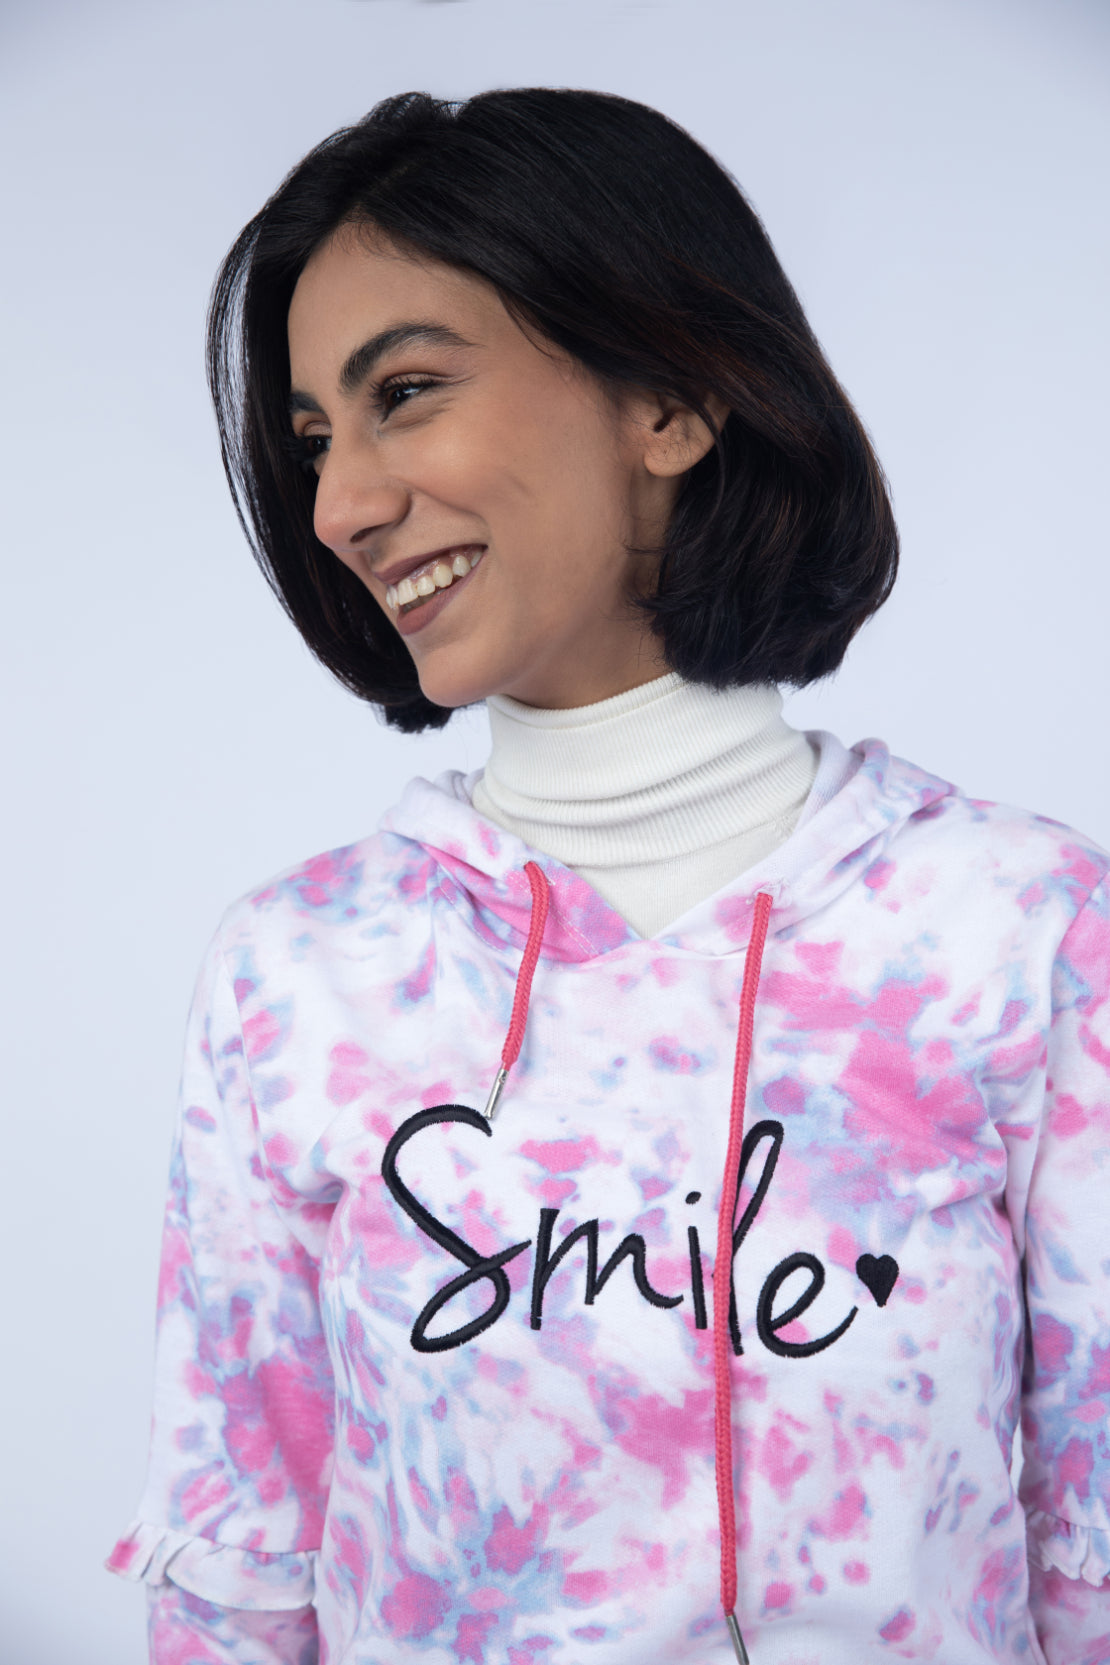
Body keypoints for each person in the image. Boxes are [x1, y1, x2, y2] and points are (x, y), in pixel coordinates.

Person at [106, 88, 1110, 1664]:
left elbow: (1092, 1541)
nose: (341, 505)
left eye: (404, 393)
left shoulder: (1017, 929)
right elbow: (236, 1570)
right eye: (311, 442)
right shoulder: (300, 976)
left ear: (671, 401)